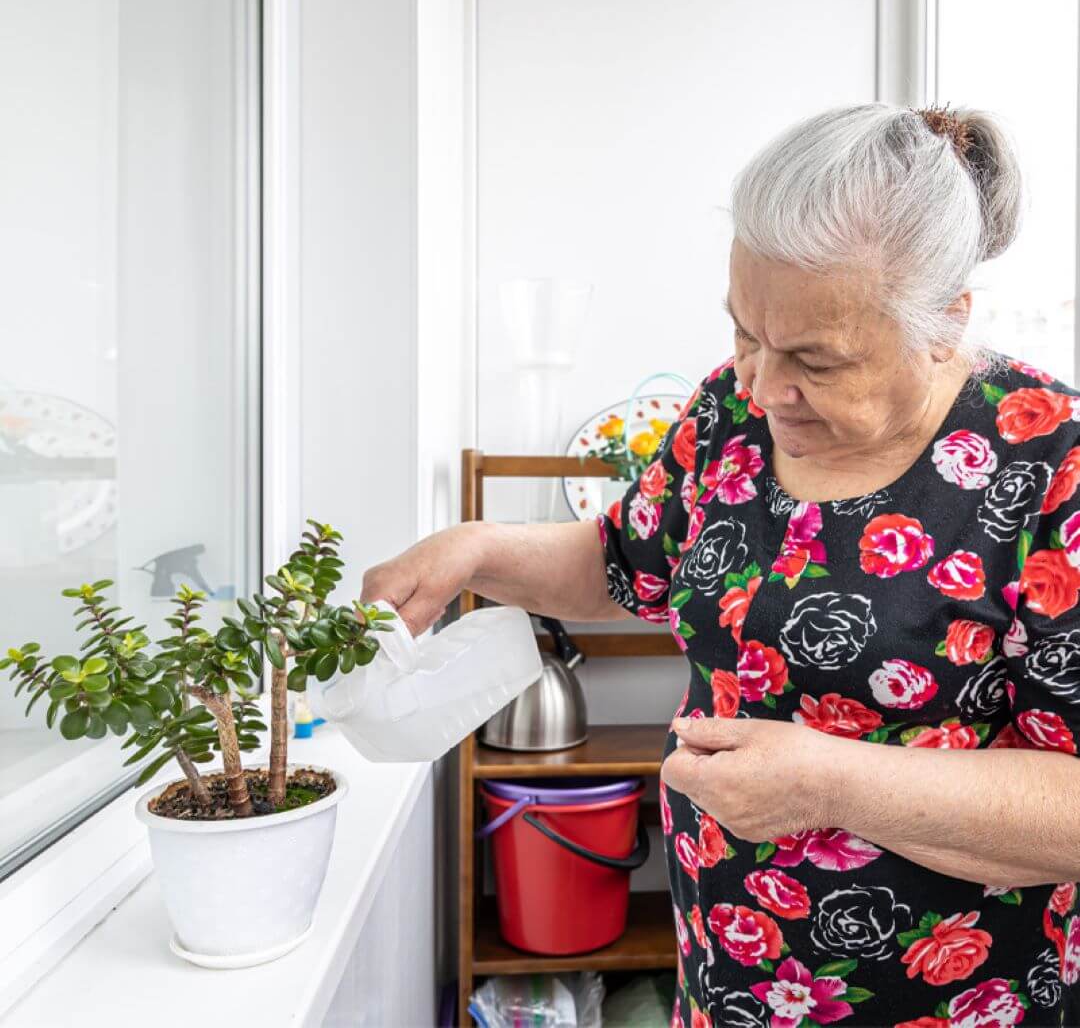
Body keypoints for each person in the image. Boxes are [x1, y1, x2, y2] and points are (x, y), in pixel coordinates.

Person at [362, 104, 1080, 1026]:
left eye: (816, 360)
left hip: (956, 1001)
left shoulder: (1049, 459)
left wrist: (831, 782)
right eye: (746, 331)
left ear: (944, 323)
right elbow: (626, 563)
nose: (761, 382)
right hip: (729, 981)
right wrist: (477, 548)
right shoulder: (731, 413)